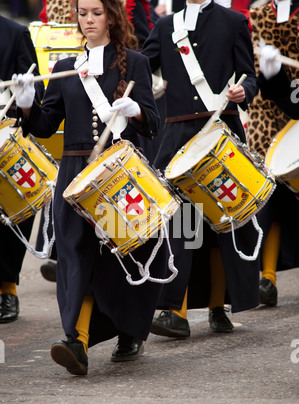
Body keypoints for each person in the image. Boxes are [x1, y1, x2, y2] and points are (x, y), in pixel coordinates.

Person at [13, 0, 172, 375]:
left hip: (119, 172)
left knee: (124, 255)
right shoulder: (66, 68)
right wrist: (27, 106)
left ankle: (129, 332)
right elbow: (46, 125)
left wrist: (136, 111)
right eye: (82, 13)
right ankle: (76, 341)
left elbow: (152, 123)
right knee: (75, 255)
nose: (88, 20)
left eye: (96, 13)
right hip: (74, 174)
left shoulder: (135, 63)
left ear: (112, 17)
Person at [142, 0, 259, 338]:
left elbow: (249, 76)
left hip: (222, 131)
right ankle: (174, 310)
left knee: (223, 221)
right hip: (178, 135)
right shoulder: (165, 27)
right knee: (181, 222)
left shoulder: (234, 21)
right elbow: (140, 67)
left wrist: (243, 90)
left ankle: (217, 306)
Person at [247, 0, 299, 307]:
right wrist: (267, 74)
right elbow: (252, 69)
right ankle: (267, 277)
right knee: (270, 197)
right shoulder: (259, 13)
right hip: (267, 115)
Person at [0, 15, 44, 324]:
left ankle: (8, 289)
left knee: (11, 215)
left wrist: (26, 94)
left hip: (5, 138)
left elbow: (35, 89)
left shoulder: (15, 33)